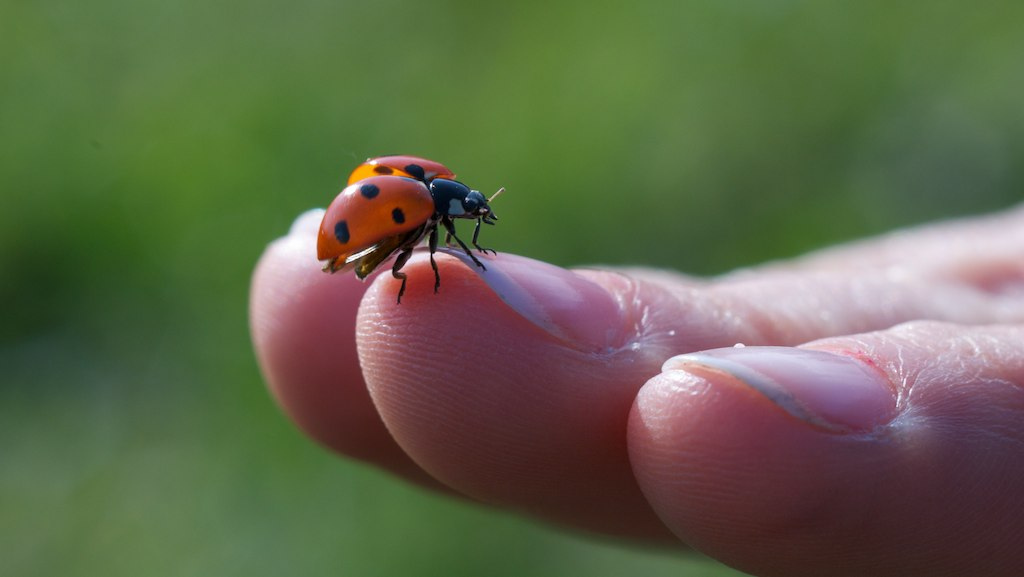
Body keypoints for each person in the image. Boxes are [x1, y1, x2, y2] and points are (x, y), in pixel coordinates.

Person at [249, 204, 1024, 577]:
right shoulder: (426, 208)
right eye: (469, 215)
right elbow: (421, 231)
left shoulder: (422, 204)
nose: (472, 223)